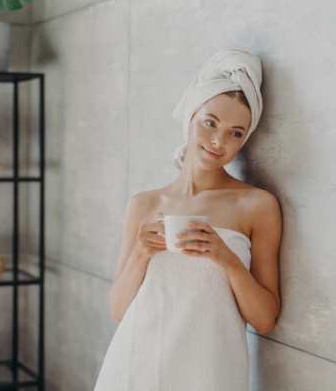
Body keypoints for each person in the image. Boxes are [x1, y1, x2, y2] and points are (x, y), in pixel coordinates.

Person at [94, 50, 282, 391]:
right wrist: (140, 253)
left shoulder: (257, 205)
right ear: (190, 117)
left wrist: (227, 260)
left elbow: (265, 319)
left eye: (235, 133)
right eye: (210, 122)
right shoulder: (143, 204)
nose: (218, 141)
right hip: (134, 369)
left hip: (211, 375)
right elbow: (119, 312)